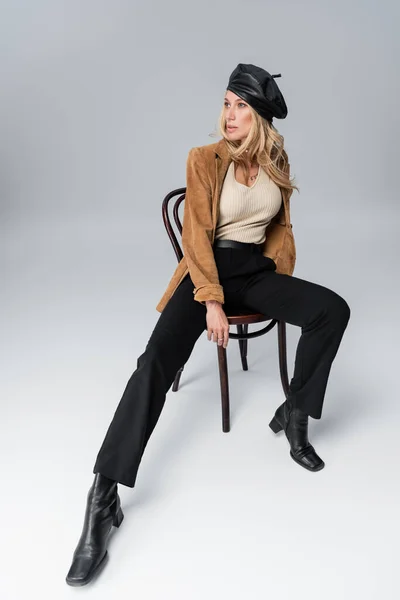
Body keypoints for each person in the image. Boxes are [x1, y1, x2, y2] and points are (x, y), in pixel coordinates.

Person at [65, 63, 350, 586]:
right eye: (226, 103)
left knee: (333, 309)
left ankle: (295, 413)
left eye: (242, 106)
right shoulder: (204, 159)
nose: (230, 115)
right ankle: (103, 498)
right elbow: (196, 233)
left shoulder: (275, 160)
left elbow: (280, 226)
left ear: (261, 117)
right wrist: (210, 300)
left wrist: (278, 280)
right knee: (152, 365)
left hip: (255, 273)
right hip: (206, 273)